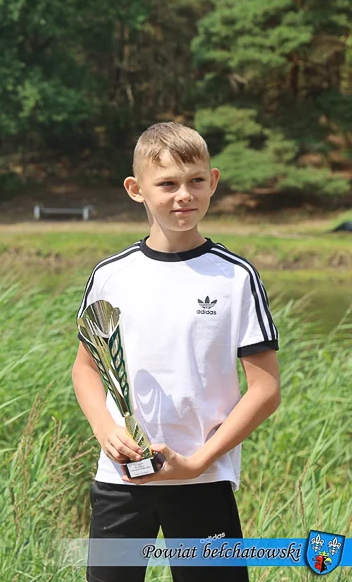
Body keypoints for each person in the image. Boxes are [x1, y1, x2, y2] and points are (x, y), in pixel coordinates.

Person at [72, 122, 281, 582]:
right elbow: (86, 369)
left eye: (195, 181)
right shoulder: (110, 275)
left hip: (202, 479)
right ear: (136, 189)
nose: (183, 195)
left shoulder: (236, 277)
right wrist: (106, 429)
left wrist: (200, 460)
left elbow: (265, 390)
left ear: (214, 182)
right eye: (167, 184)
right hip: (120, 479)